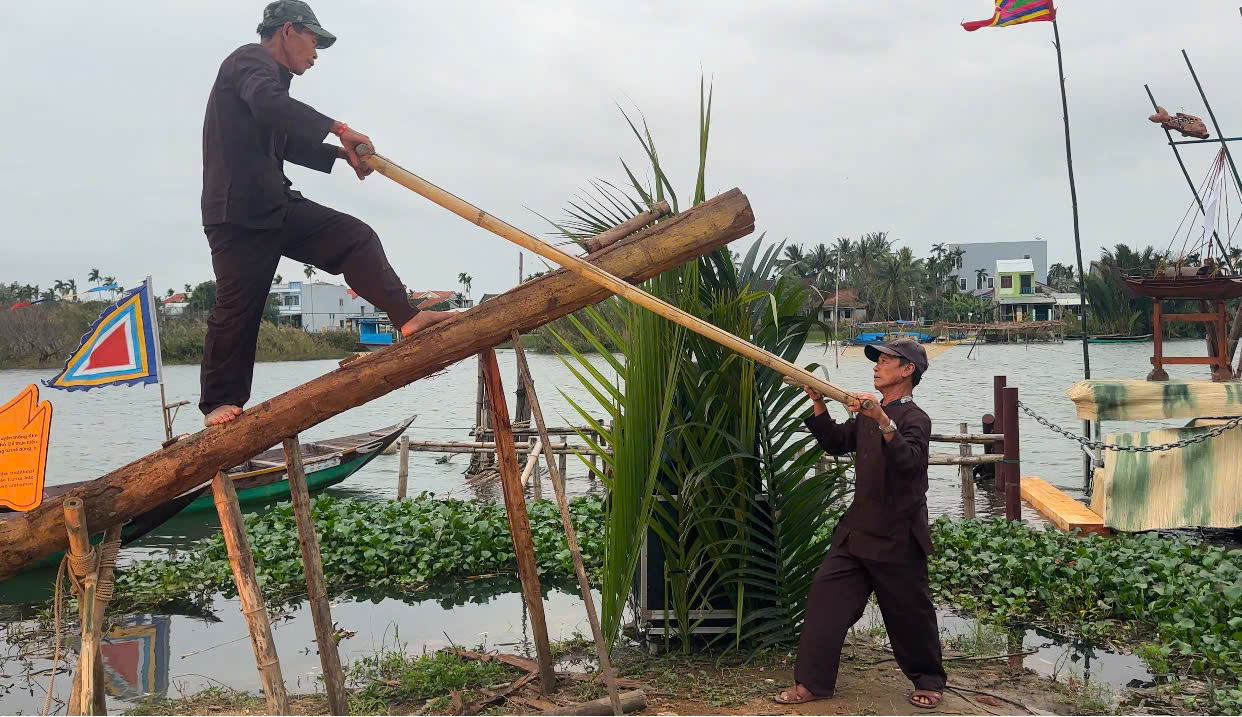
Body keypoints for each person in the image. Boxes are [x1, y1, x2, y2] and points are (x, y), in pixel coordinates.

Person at [198, 0, 452, 427]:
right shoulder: (249, 63)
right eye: (313, 42)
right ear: (288, 31)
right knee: (238, 310)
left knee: (355, 238)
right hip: (237, 217)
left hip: (276, 207)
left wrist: (340, 154)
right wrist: (340, 128)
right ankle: (219, 404)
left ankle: (407, 318)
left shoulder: (273, 84)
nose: (315, 55)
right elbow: (269, 106)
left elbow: (287, 139)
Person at [775, 337, 947, 709]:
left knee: (909, 615)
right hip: (856, 534)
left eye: (886, 360)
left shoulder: (913, 418)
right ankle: (813, 684)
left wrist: (882, 420)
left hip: (899, 537)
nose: (877, 365)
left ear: (907, 370)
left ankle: (929, 680)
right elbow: (836, 443)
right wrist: (818, 403)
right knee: (825, 603)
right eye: (877, 360)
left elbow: (909, 462)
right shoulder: (868, 415)